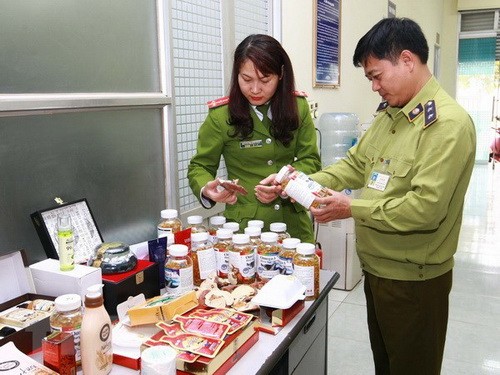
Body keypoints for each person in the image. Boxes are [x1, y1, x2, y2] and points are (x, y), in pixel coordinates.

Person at [306, 18, 476, 374]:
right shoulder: (391, 114)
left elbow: (425, 210)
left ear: (407, 60)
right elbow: (353, 166)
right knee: (387, 366)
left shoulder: (446, 125)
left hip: (414, 281)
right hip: (379, 270)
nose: (374, 87)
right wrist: (301, 183)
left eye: (376, 75)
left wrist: (351, 208)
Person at [188, 34, 321, 242]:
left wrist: (284, 186)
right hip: (245, 232)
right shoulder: (221, 116)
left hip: (293, 229)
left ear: (281, 74)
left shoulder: (298, 107)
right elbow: (200, 166)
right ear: (237, 75)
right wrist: (207, 189)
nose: (256, 89)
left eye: (266, 80)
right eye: (247, 79)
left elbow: (311, 161)